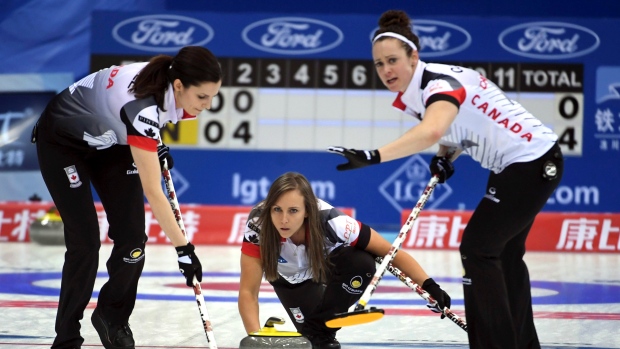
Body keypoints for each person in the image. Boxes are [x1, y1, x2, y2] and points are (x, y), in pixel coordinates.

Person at [327, 10, 564, 349]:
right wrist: (445, 155)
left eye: (392, 60)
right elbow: (455, 125)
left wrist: (373, 155)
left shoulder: (438, 84)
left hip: (530, 163)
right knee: (504, 254)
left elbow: (435, 126)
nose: (386, 70)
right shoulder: (425, 86)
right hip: (524, 163)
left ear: (414, 57)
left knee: (479, 250)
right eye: (379, 64)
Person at [32, 46, 222, 349]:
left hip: (111, 143)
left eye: (213, 96)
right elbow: (153, 191)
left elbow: (144, 122)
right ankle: (66, 338)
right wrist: (184, 249)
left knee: (133, 238)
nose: (208, 105)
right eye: (202, 97)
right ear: (178, 86)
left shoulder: (169, 83)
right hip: (63, 141)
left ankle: (112, 317)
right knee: (85, 242)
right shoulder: (142, 107)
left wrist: (152, 143)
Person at [238, 172, 451, 349]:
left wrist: (430, 285)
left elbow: (391, 252)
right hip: (290, 281)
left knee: (361, 262)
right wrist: (257, 339)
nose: (284, 219)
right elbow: (248, 291)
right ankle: (319, 334)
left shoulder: (333, 222)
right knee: (317, 344)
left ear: (307, 211)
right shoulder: (259, 225)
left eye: (293, 211)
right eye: (277, 210)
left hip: (323, 270)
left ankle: (321, 327)